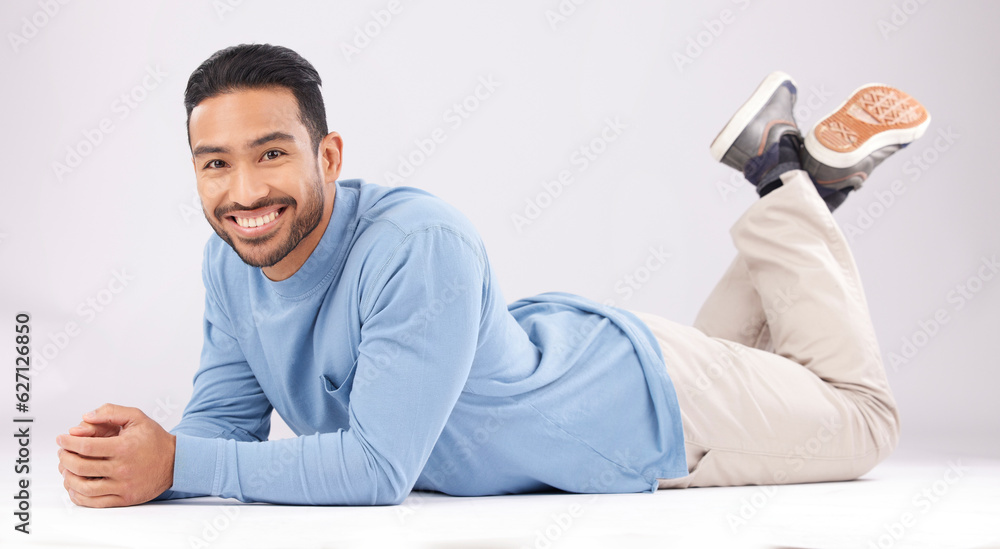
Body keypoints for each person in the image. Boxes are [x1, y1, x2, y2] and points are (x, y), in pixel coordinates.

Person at [56, 44, 929, 508]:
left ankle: (783, 175)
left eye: (271, 154)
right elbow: (224, 433)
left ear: (327, 154)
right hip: (596, 360)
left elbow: (374, 470)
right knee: (778, 358)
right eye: (215, 165)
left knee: (859, 417)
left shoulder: (415, 241)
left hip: (650, 414)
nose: (243, 193)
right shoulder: (231, 258)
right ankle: (805, 194)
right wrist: (137, 460)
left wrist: (175, 462)